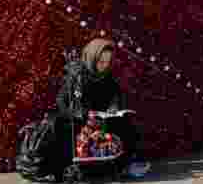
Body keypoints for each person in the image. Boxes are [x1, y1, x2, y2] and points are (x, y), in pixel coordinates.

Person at [56, 39, 151, 179]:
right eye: (101, 62)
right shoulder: (77, 76)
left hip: (102, 120)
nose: (104, 66)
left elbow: (116, 95)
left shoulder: (107, 76)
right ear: (92, 58)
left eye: (107, 62)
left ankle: (124, 165)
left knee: (125, 124)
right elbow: (62, 101)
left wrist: (114, 108)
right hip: (80, 122)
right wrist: (80, 113)